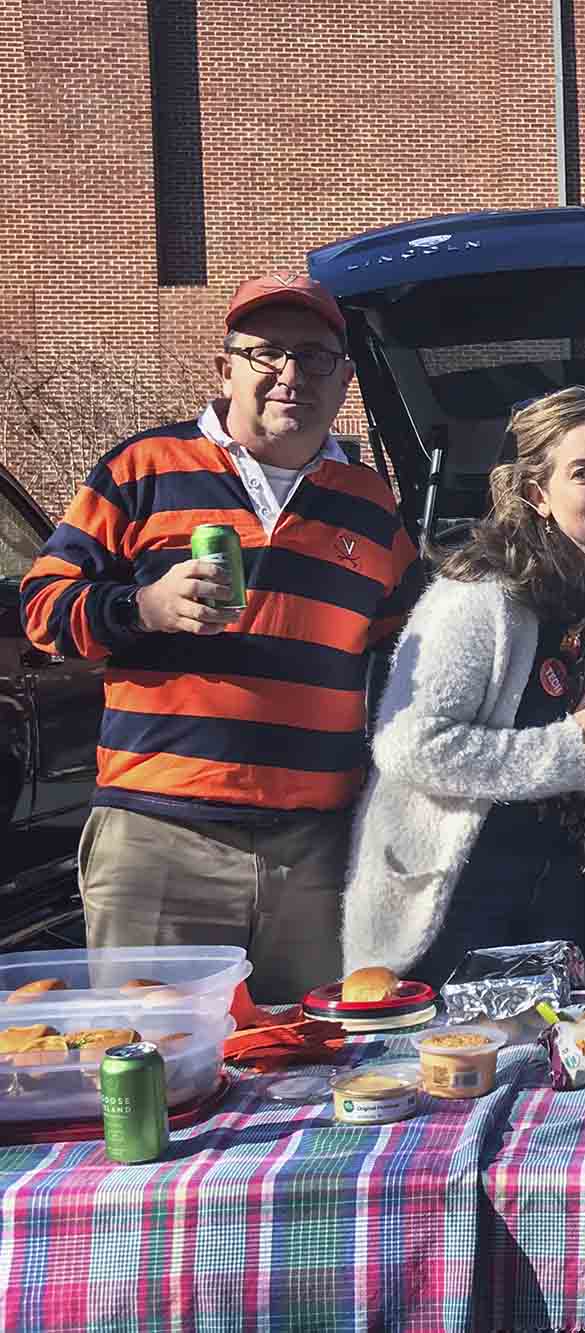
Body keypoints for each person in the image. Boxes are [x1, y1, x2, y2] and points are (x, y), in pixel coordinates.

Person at [20, 272, 421, 1002]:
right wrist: (143, 606)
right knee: (157, 1071)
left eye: (314, 356)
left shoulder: (369, 504)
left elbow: (398, 651)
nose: (290, 374)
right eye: (266, 353)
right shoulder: (141, 470)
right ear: (225, 368)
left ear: (343, 380)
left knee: (319, 1070)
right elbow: (42, 609)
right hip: (161, 842)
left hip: (314, 853)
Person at [342, 387, 585, 983]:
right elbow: (410, 744)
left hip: (553, 900)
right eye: (584, 473)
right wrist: (570, 746)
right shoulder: (479, 597)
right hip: (454, 904)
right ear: (538, 494)